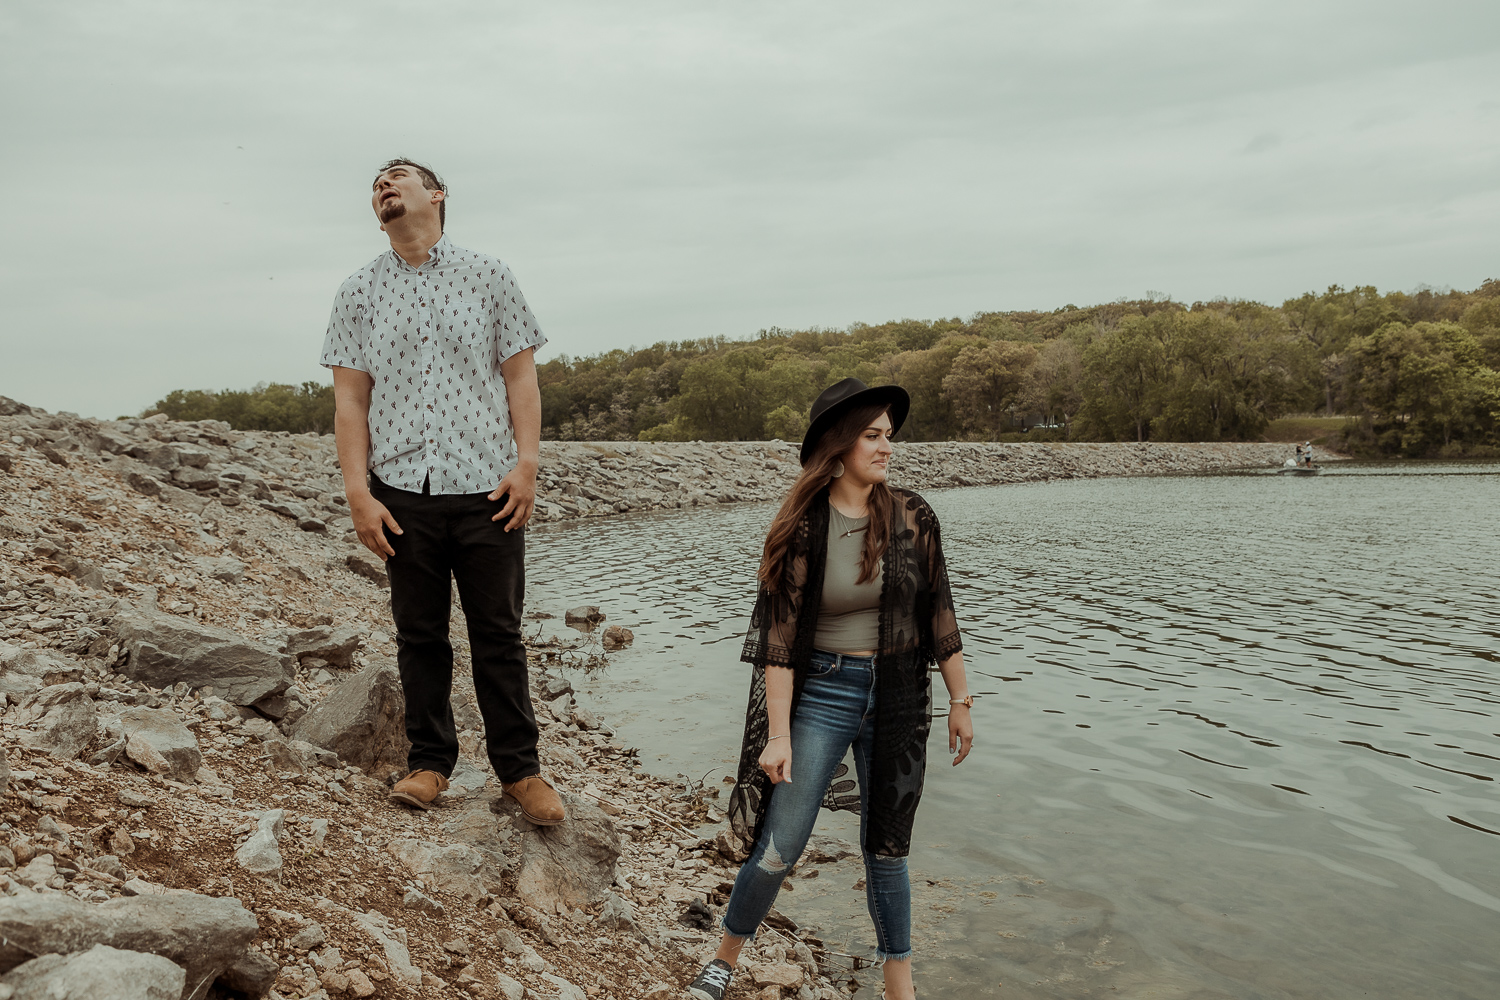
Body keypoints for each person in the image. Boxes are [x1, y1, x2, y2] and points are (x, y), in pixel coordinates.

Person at [687, 378, 975, 1000]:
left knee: (888, 847)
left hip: (900, 695)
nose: (885, 448)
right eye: (872, 436)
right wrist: (781, 736)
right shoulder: (803, 529)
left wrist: (960, 700)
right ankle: (723, 960)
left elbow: (939, 614)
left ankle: (900, 985)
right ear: (839, 446)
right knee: (782, 844)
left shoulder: (913, 516)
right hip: (824, 691)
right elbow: (779, 645)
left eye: (888, 437)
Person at [320, 158, 565, 826]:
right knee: (419, 635)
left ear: (436, 195)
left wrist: (527, 465)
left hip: (489, 486)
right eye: (374, 186)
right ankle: (429, 764)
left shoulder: (490, 276)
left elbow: (521, 379)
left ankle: (520, 772)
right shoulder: (359, 291)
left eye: (395, 178)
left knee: (499, 634)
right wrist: (357, 495)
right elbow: (349, 402)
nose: (382, 188)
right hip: (400, 491)